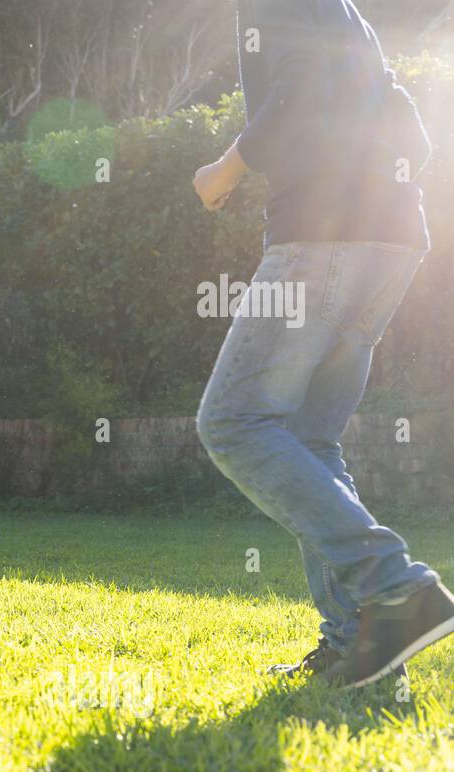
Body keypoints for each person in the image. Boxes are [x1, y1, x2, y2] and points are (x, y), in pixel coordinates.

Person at [192, 0, 454, 687]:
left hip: (322, 237)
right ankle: (358, 642)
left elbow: (298, 95)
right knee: (311, 437)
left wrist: (223, 170)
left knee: (234, 421)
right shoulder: (346, 13)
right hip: (394, 241)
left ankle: (396, 586)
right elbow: (409, 124)